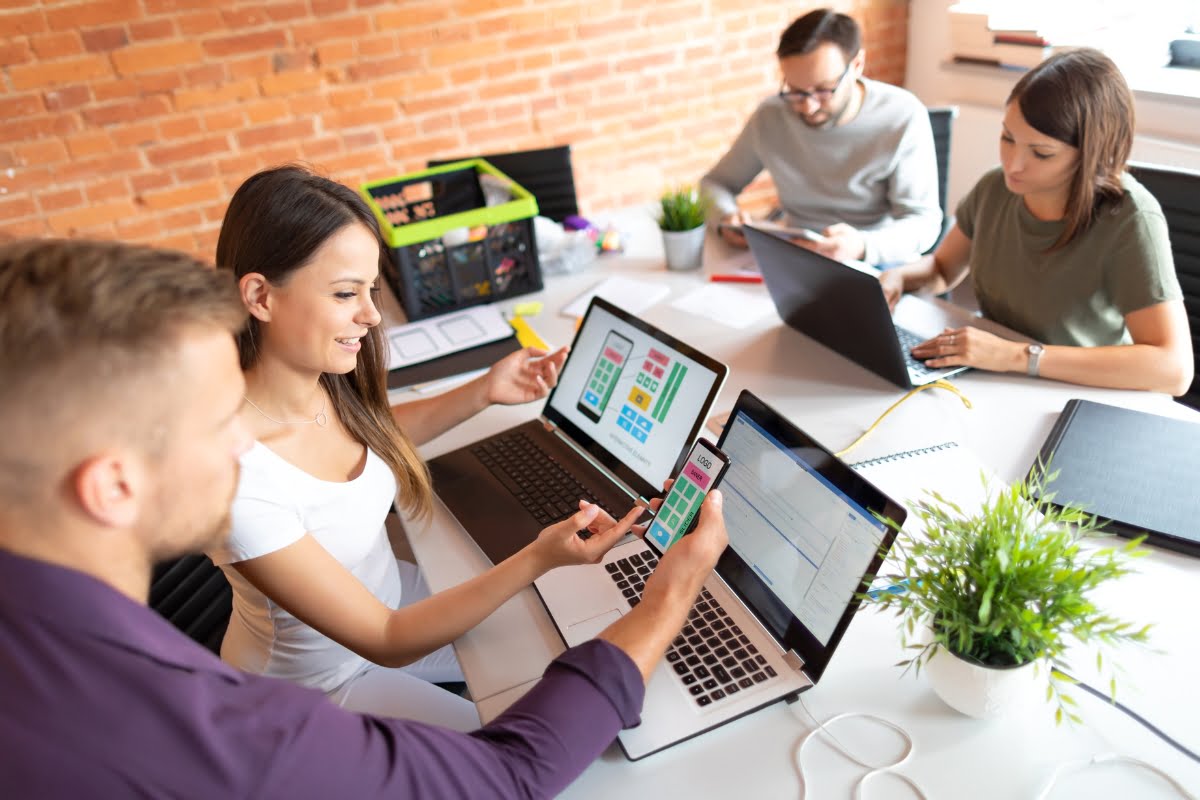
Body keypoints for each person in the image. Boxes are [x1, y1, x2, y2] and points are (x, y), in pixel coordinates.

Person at [0, 237, 729, 796]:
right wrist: (669, 595)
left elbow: (348, 445)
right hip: (336, 674)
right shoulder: (220, 733)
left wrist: (479, 395)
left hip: (374, 614)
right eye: (220, 421)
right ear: (112, 485)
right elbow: (506, 779)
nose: (245, 440)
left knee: (544, 642)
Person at [210, 164, 649, 729]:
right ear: (260, 297)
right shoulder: (234, 480)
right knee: (511, 758)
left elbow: (364, 439)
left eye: (371, 289)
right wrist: (539, 556)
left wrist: (485, 390)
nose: (370, 315)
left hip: (396, 600)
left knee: (561, 651)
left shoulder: (316, 381)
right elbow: (386, 641)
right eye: (346, 293)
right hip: (318, 695)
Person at [879, 48, 1194, 396]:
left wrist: (1017, 357)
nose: (1013, 165)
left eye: (1041, 153)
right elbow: (941, 271)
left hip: (1078, 396)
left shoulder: (1130, 219)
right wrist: (899, 276)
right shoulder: (995, 188)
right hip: (997, 383)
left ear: (1090, 152)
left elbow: (1175, 370)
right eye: (1007, 138)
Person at [701, 8, 942, 266]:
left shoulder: (902, 114)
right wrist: (726, 218)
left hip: (872, 257)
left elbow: (923, 223)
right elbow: (715, 184)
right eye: (794, 90)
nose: (808, 107)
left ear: (857, 65)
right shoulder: (771, 116)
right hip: (796, 251)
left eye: (823, 90)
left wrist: (862, 245)